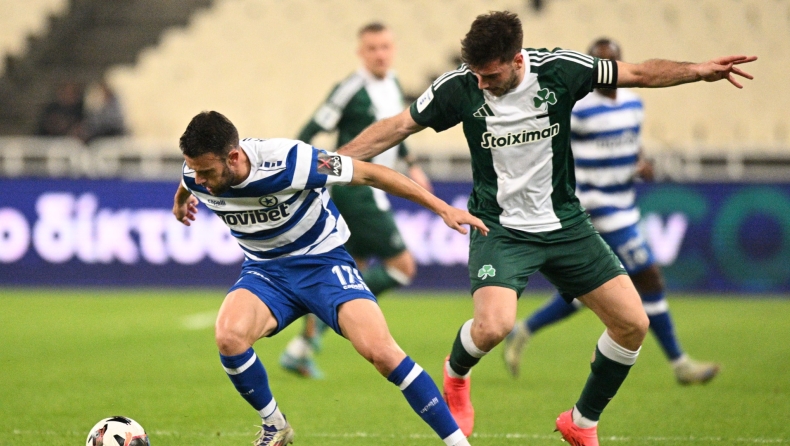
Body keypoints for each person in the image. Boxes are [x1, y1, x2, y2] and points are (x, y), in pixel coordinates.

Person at [335, 11, 755, 445]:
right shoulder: (460, 85)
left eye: (490, 75)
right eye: (476, 75)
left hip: (565, 223)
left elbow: (638, 73)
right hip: (499, 227)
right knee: (492, 328)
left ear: (517, 60)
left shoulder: (560, 70)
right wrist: (331, 163)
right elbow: (399, 126)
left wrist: (698, 70)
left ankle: (582, 422)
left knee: (633, 323)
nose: (481, 84)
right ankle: (456, 373)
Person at [172, 111, 487, 446]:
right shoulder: (196, 173)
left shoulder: (292, 161)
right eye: (194, 171)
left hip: (323, 265)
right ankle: (275, 425)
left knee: (382, 353)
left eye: (206, 172)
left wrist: (442, 208)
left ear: (233, 157)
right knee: (229, 337)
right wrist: (180, 203)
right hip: (265, 272)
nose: (200, 179)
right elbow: (187, 182)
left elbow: (371, 174)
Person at [503, 38, 720, 386]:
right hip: (595, 206)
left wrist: (640, 164)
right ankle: (679, 364)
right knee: (648, 278)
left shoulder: (633, 103)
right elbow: (549, 143)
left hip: (624, 203)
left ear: (619, 63)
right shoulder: (579, 108)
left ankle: (525, 329)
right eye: (598, 62)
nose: (604, 70)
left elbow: (632, 144)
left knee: (590, 292)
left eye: (611, 61)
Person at [279, 22, 432, 379]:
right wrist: (298, 171)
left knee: (349, 272)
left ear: (393, 49)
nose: (380, 54)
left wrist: (411, 163)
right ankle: (330, 316)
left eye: (385, 47)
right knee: (402, 267)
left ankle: (301, 349)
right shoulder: (350, 89)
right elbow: (311, 129)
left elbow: (395, 131)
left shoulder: (393, 83)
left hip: (373, 188)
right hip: (355, 190)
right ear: (361, 52)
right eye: (372, 48)